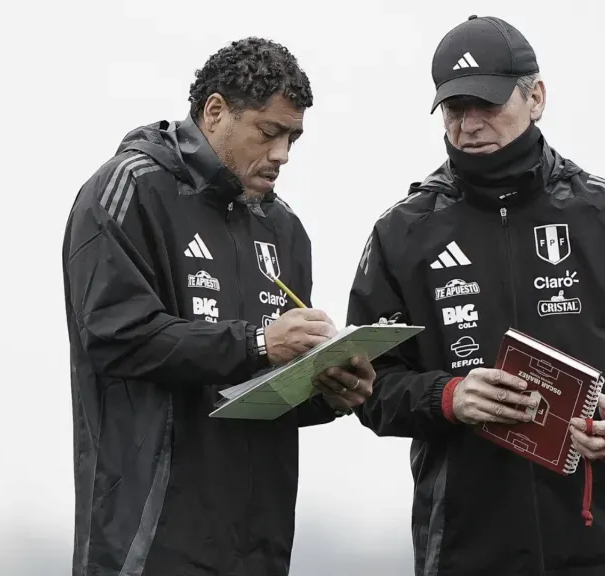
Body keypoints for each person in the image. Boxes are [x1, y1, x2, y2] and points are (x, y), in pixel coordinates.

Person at [347, 15, 605, 576]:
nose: (468, 124)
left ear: (535, 97)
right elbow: (368, 384)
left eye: (486, 104)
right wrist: (448, 397)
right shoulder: (402, 233)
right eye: (454, 108)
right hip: (467, 546)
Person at [61, 37, 376, 576]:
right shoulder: (128, 187)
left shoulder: (285, 230)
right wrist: (258, 342)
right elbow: (116, 335)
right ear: (214, 111)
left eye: (293, 137)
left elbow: (261, 388)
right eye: (269, 133)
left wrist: (328, 390)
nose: (282, 154)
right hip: (148, 542)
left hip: (260, 546)